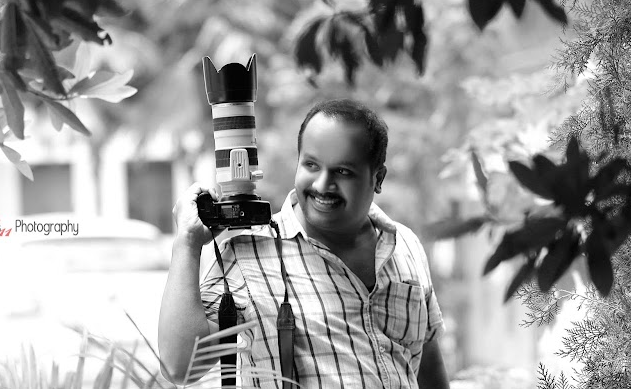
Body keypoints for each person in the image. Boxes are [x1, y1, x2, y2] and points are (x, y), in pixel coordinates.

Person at [159, 98, 449, 388]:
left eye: (342, 171)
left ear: (378, 178)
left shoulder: (405, 245)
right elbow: (180, 366)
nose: (322, 184)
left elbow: (426, 364)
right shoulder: (250, 257)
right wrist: (187, 243)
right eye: (311, 165)